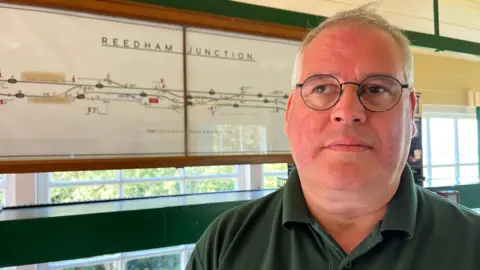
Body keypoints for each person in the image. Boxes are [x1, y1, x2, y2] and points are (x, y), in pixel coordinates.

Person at [186, 3, 480, 270]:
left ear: (410, 112)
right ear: (289, 112)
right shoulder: (224, 244)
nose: (348, 110)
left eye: (376, 89)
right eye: (322, 88)